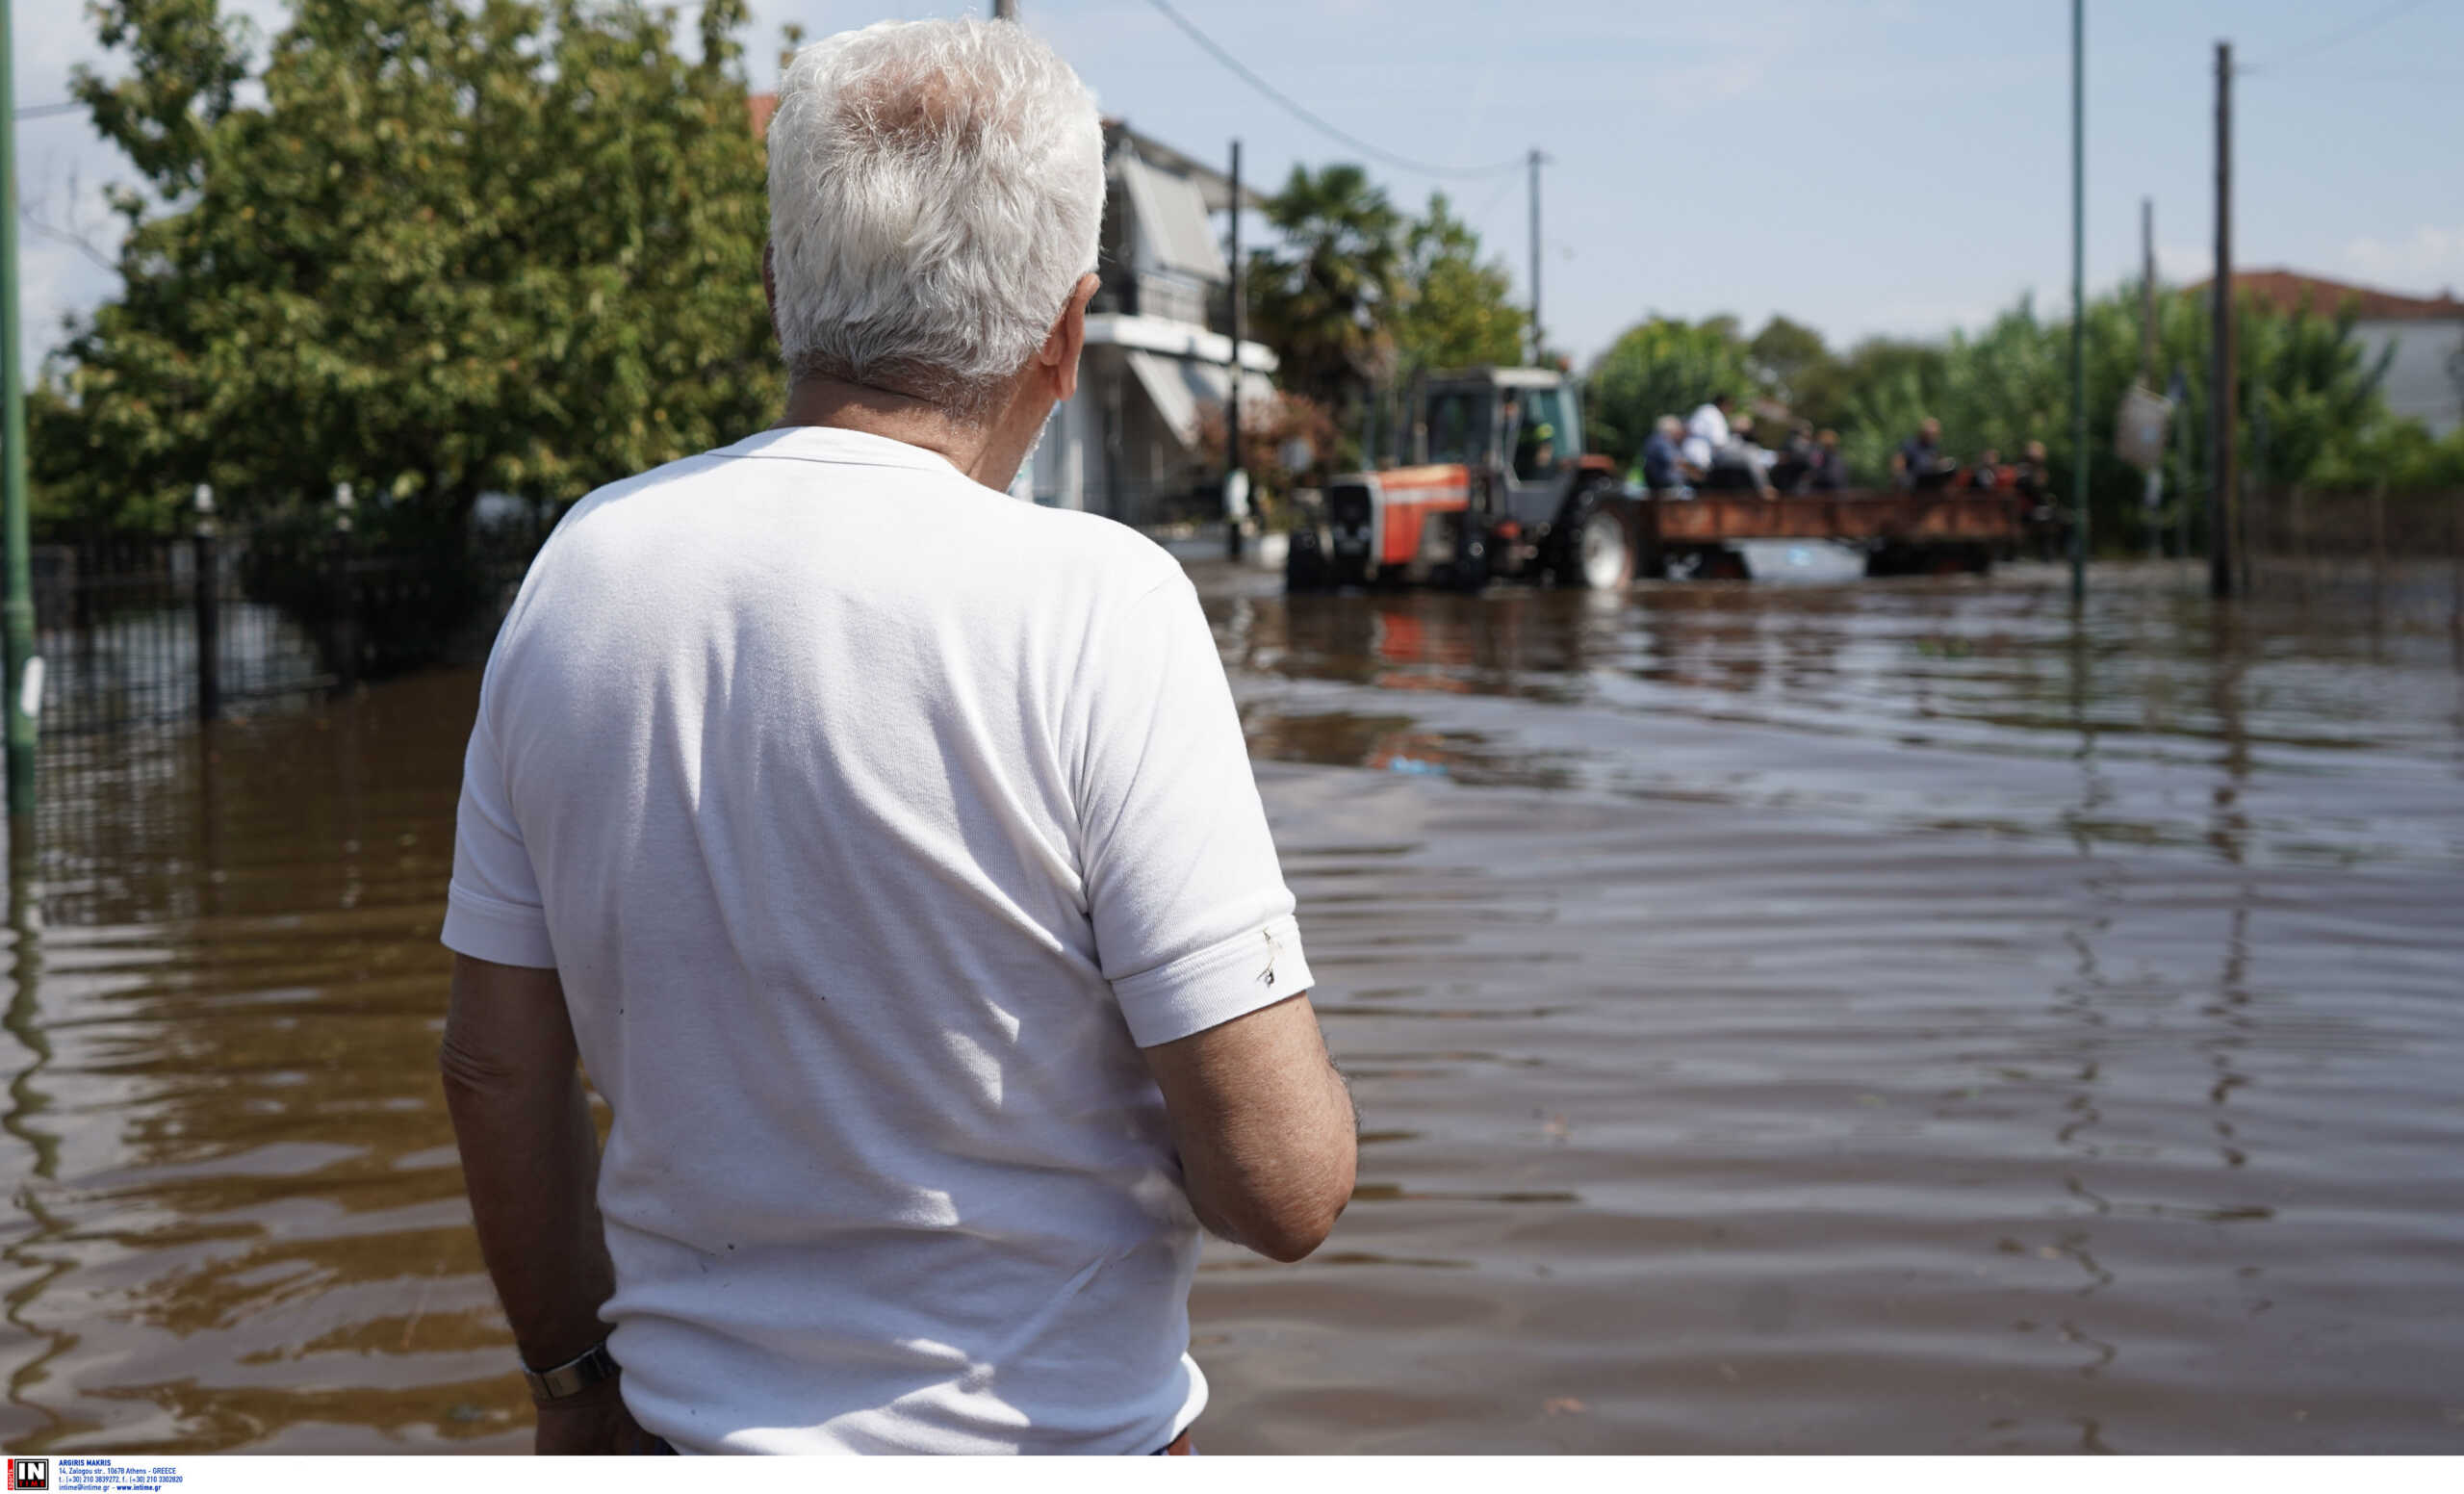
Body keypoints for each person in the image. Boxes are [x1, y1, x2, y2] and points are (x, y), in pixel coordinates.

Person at [437, 18, 1356, 1457]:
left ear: (776, 291)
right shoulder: (1100, 606)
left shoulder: (583, 574)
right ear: (1068, 331)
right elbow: (1284, 1188)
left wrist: (569, 1381)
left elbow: (496, 1067)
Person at [1640, 415, 1693, 495]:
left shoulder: (1655, 440)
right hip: (1665, 488)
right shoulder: (1661, 441)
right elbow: (1675, 460)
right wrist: (1694, 470)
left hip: (1661, 486)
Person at [1893, 417, 1949, 491]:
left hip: (1931, 483)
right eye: (1930, 434)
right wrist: (1903, 482)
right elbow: (1898, 466)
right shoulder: (1909, 445)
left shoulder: (1934, 447)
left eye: (1935, 434)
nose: (1933, 437)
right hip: (1913, 484)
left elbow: (1937, 463)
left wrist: (1942, 464)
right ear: (1922, 432)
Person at [1809, 428, 1850, 492]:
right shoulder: (1837, 456)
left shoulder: (1832, 457)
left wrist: (1813, 477)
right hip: (1835, 494)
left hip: (1830, 496)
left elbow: (1832, 478)